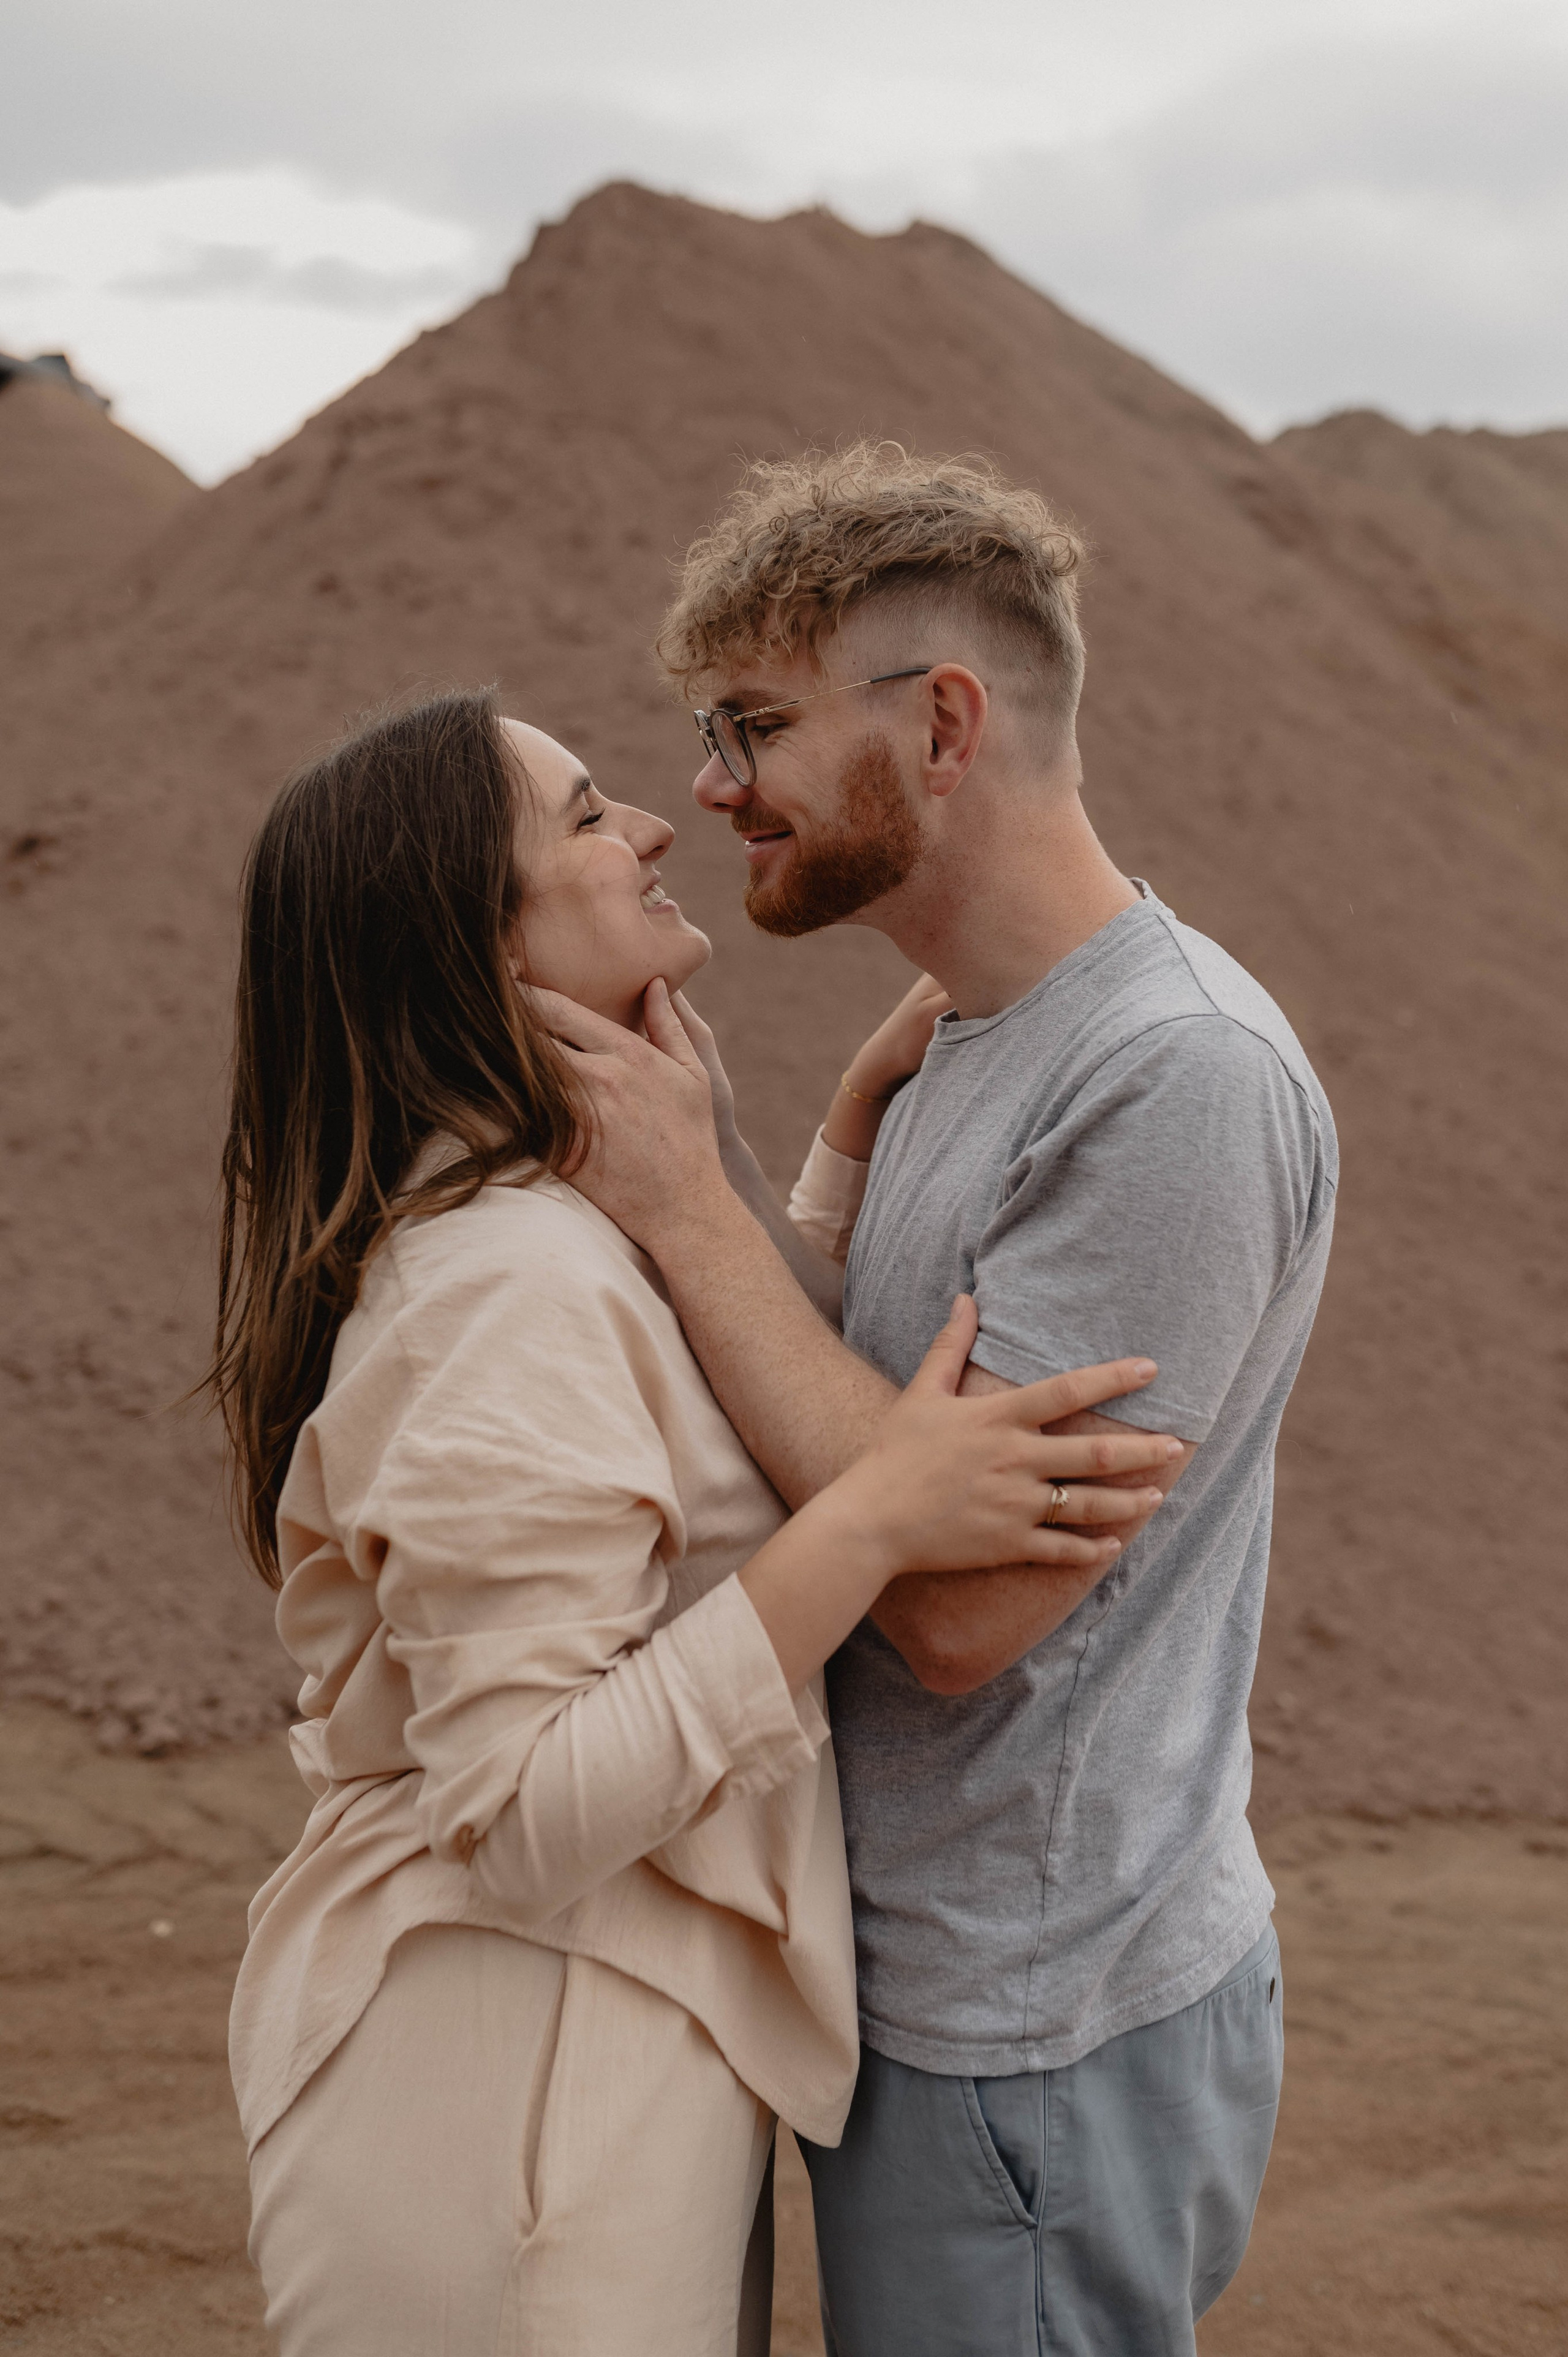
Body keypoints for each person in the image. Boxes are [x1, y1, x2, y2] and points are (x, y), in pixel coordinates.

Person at [207, 687, 1180, 2357]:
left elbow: (654, 1438)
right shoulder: (499, 1286)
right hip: (511, 2119)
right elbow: (518, 1809)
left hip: (581, 2063)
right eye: (586, 817)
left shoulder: (543, 1224)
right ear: (476, 945)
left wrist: (803, 1165)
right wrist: (874, 1518)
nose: (656, 825)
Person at [537, 443, 1339, 2355]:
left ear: (948, 724)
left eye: (751, 725)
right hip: (945, 1988)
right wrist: (777, 1162)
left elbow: (961, 1605)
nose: (709, 788)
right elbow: (881, 1430)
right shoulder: (982, 1037)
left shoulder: (1173, 1085)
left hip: (1037, 2031)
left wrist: (685, 1207)